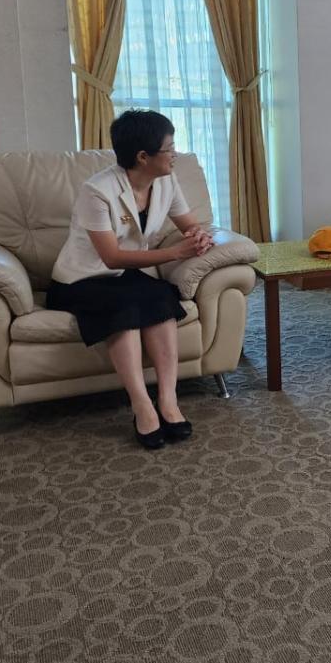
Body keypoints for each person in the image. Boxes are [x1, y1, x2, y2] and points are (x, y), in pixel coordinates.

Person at [48, 110, 214, 449]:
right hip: (82, 279)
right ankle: (141, 406)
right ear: (142, 157)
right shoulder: (96, 191)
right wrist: (175, 253)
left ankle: (168, 400)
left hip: (126, 274)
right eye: (169, 148)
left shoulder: (166, 181)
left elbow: (189, 224)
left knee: (162, 297)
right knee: (124, 307)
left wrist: (199, 236)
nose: (175, 154)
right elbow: (111, 257)